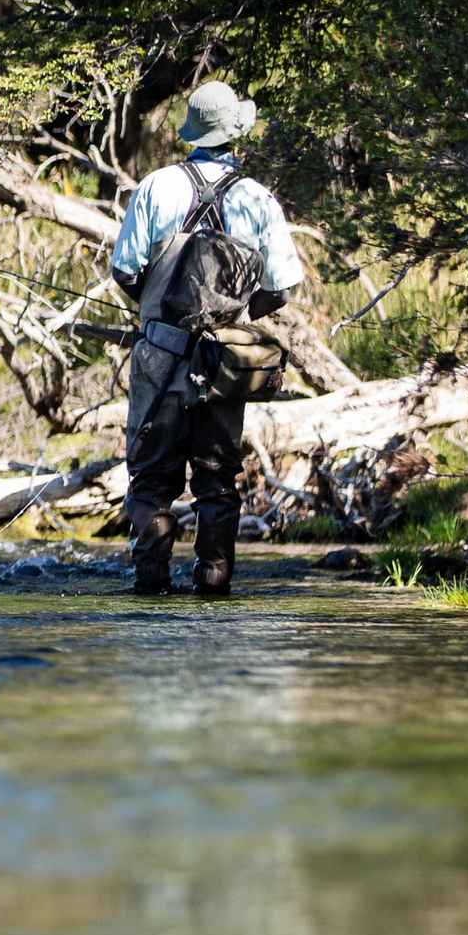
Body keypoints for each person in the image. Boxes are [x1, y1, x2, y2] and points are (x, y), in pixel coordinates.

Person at [107, 81, 310, 598]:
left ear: (194, 133)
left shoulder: (156, 187)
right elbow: (281, 287)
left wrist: (160, 314)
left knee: (151, 478)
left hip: (159, 355)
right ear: (236, 134)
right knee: (218, 477)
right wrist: (236, 314)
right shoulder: (258, 199)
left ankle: (151, 578)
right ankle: (214, 583)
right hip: (224, 361)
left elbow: (125, 270)